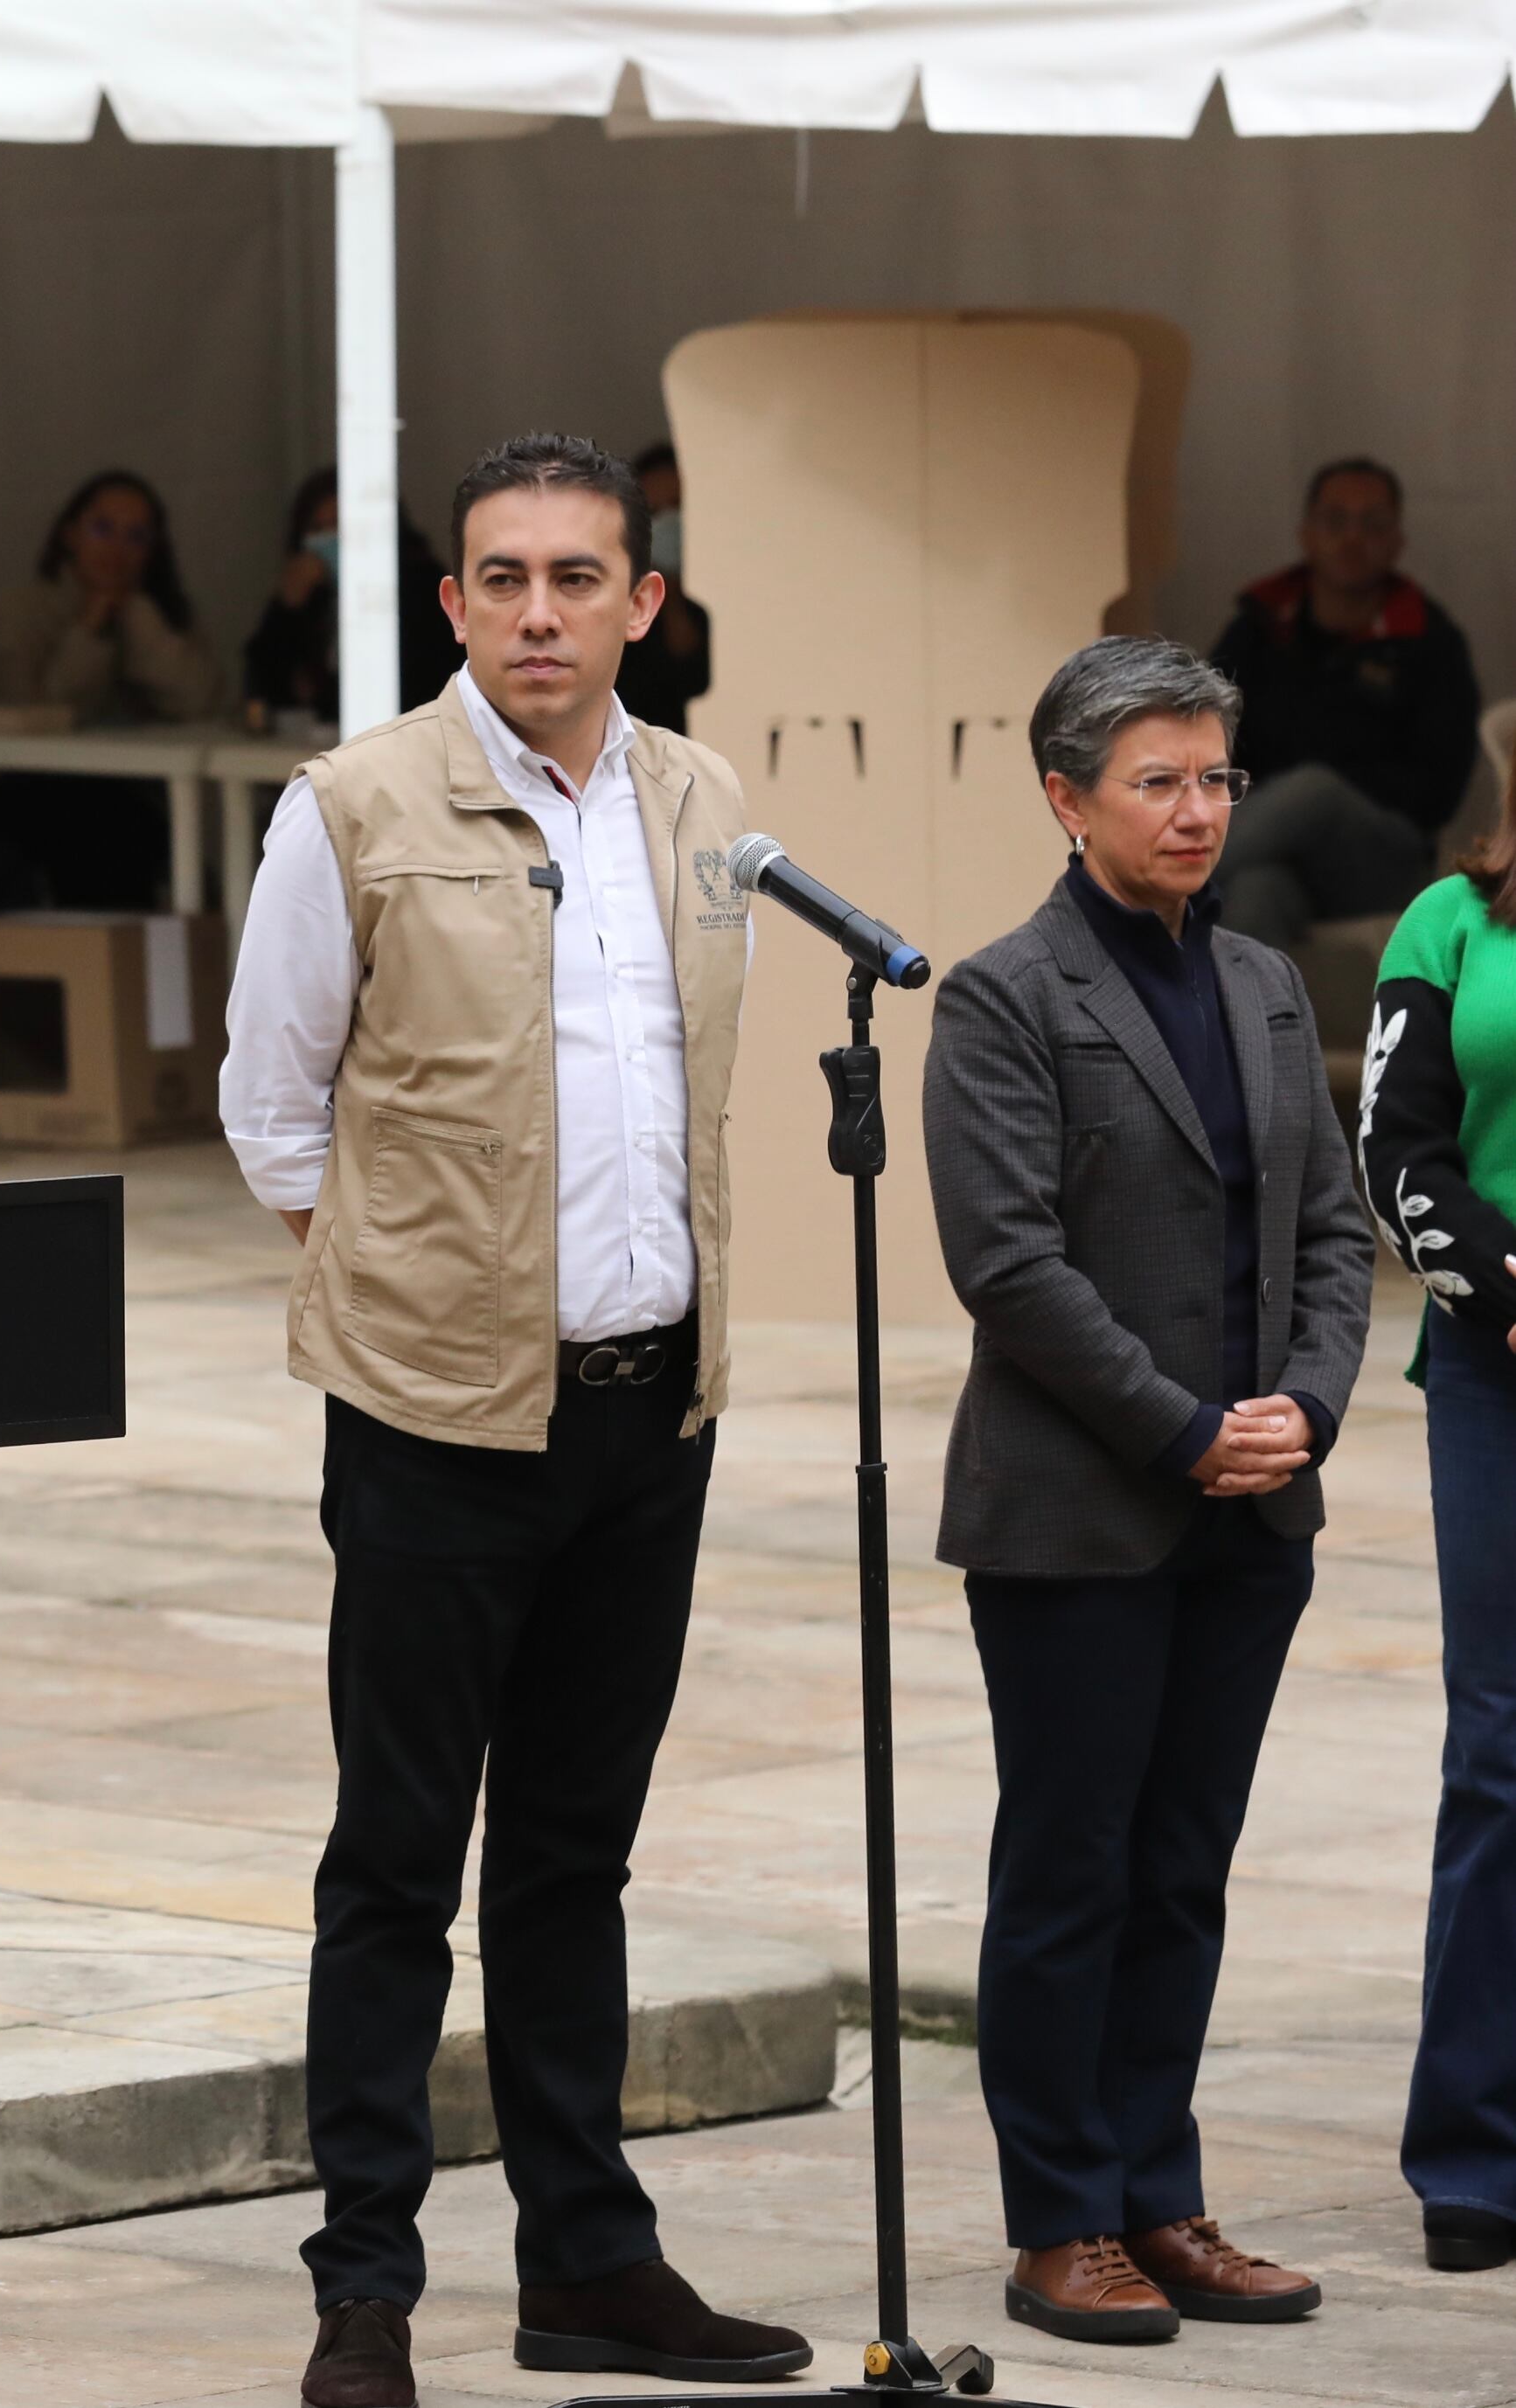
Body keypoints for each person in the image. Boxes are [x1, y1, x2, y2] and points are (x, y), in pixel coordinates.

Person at [222, 434, 799, 2408]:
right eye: (499, 577)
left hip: (652, 1414)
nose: (537, 611)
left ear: (643, 602)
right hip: (434, 1423)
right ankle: (363, 2284)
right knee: (394, 1860)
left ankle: (589, 2258)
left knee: (573, 1855)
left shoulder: (706, 796)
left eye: (576, 577)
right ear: (450, 601)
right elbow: (271, 1102)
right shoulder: (357, 804)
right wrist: (412, 1281)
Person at [921, 635, 1371, 2344]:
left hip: (1252, 1504)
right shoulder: (1005, 996)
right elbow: (1008, 1264)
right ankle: (1062, 2220)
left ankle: (1160, 2193)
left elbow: (1333, 1228)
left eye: (1215, 779)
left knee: (1186, 1863)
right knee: (1072, 1866)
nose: (1198, 811)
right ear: (1066, 797)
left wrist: (1306, 1406)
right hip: (1085, 1511)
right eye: (1157, 781)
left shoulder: (1260, 979)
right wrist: (1185, 1423)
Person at [1360, 817, 1516, 2275]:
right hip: (1494, 1366)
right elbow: (1393, 1148)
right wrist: (1503, 1285)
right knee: (1499, 1749)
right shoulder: (1447, 922)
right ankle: (1473, 2151)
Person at [1207, 458, 1483, 945]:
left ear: (1397, 541)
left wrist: (1321, 798)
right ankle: (1243, 1024)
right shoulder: (1260, 625)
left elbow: (1439, 791)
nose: (1353, 538)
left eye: (1373, 524)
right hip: (1270, 850)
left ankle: (1143, 889)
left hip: (1381, 863)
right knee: (1256, 890)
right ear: (1307, 533)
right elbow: (1204, 737)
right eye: (1336, 521)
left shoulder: (1430, 642)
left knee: (1315, 790)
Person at [0, 468, 221, 909]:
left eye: (137, 536)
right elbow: (32, 714)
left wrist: (139, 620)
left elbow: (204, 701)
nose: (116, 549)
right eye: (103, 529)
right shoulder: (20, 611)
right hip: (31, 791)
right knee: (96, 832)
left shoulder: (161, 615)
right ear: (69, 533)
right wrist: (89, 631)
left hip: (137, 790)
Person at [241, 468, 463, 725]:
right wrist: (286, 609)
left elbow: (419, 681)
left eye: (339, 525)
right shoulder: (309, 595)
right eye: (317, 528)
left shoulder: (421, 587)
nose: (328, 539)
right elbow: (263, 688)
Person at [612, 442, 713, 736]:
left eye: (677, 505)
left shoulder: (748, 596)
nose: (668, 522)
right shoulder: (620, 613)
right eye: (654, 513)